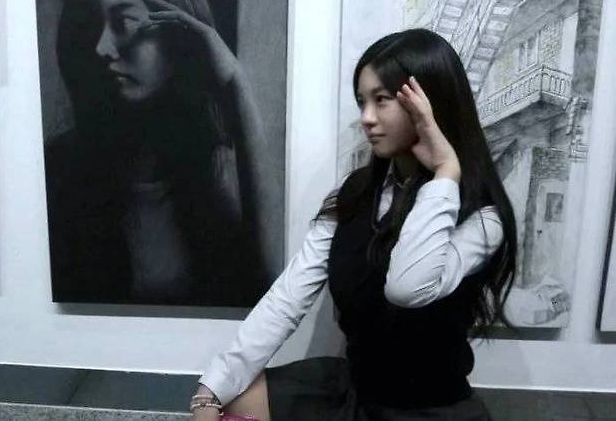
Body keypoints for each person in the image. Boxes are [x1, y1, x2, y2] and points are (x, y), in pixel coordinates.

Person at [191, 29, 517, 420]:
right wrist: (210, 389)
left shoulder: (482, 217)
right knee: (232, 398)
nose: (366, 118)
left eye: (382, 100)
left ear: (428, 104)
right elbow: (288, 297)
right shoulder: (355, 193)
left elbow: (407, 288)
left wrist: (445, 171)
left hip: (428, 411)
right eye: (362, 101)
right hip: (354, 391)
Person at [44, 0, 274, 306]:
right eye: (92, 26)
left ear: (180, 37)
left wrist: (234, 81)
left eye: (124, 22)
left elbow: (269, 289)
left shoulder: (221, 169)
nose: (101, 47)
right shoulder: (60, 168)